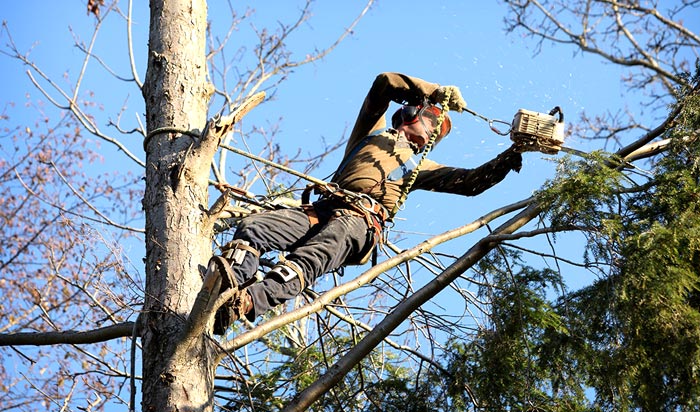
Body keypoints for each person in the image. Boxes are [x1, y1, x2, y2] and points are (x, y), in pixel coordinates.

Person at [207, 72, 525, 335]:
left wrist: (511, 155)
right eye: (431, 125)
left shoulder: (419, 168)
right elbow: (384, 83)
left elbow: (470, 183)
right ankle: (224, 285)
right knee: (255, 227)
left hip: (360, 221)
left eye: (434, 134)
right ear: (412, 113)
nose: (429, 136)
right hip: (321, 210)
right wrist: (435, 91)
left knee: (315, 254)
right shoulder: (370, 133)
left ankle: (244, 303)